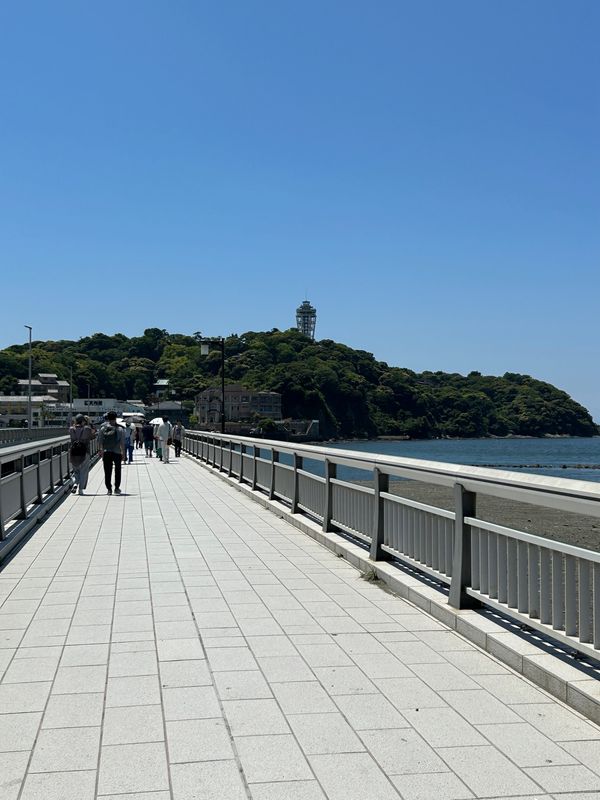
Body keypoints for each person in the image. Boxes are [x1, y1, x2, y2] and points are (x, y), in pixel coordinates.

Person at [98, 411, 125, 495]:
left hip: (106, 452)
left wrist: (101, 450)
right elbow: (122, 442)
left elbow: (100, 441)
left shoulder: (103, 428)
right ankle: (117, 488)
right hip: (117, 452)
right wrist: (123, 453)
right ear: (115, 418)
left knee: (107, 471)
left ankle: (109, 489)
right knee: (117, 470)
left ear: (108, 418)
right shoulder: (120, 429)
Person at [69, 414, 96, 495]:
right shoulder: (87, 429)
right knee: (83, 471)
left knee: (76, 470)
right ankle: (80, 489)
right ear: (83, 421)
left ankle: (75, 482)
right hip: (85, 452)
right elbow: (93, 436)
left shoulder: (71, 429)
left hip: (73, 452)